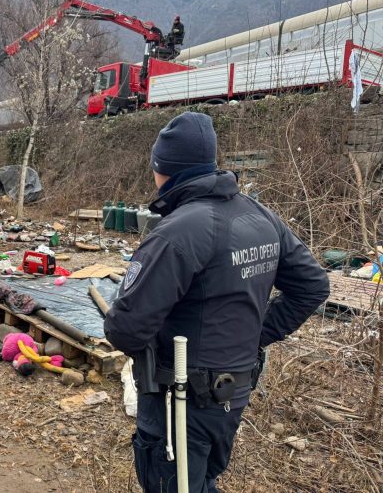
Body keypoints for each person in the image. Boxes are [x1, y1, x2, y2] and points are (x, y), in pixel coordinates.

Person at [104, 112, 329, 492]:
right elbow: (312, 285)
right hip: (232, 395)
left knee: (173, 483)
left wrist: (256, 333)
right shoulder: (260, 216)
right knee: (202, 480)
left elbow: (124, 329)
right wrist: (255, 336)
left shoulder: (177, 233)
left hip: (181, 399)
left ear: (164, 169)